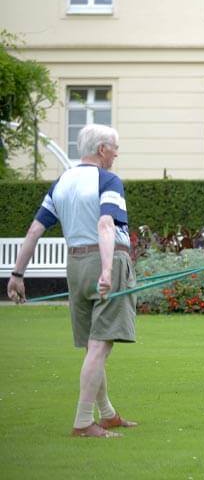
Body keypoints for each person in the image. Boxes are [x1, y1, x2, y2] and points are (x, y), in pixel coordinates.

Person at [7, 124, 139, 438]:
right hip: (105, 261)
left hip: (75, 265)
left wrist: (16, 275)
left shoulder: (61, 182)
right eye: (115, 148)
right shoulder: (108, 180)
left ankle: (106, 413)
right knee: (98, 346)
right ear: (103, 149)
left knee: (93, 343)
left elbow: (34, 231)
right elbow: (106, 224)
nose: (117, 154)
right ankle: (83, 422)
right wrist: (107, 272)